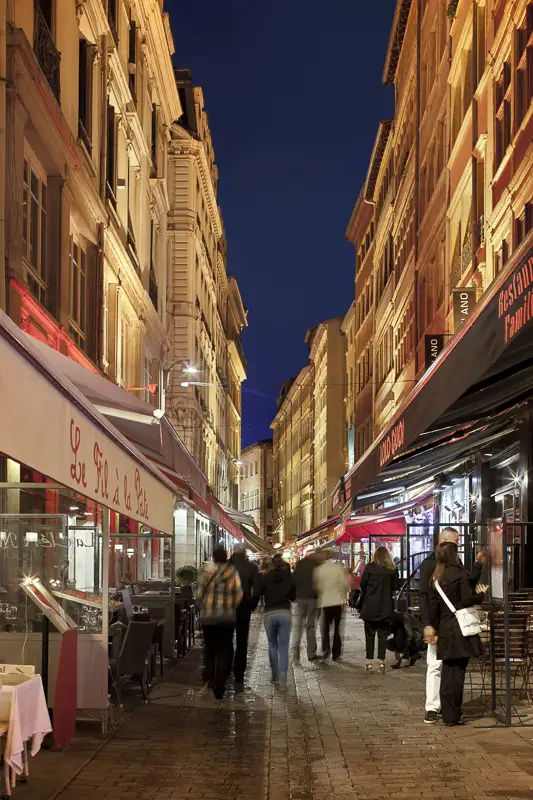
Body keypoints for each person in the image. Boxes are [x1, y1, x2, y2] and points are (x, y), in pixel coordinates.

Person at [419, 527, 485, 723]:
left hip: (445, 623)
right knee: (436, 665)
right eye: (457, 542)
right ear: (446, 543)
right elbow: (425, 596)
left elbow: (463, 583)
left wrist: (478, 565)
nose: (460, 545)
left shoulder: (449, 566)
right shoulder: (430, 565)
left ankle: (445, 709)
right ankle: (433, 707)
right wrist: (428, 624)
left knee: (446, 668)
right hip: (443, 624)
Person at [196, 546, 243, 700]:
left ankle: (209, 677)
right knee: (224, 649)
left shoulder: (206, 572)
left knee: (210, 648)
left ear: (214, 557)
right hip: (226, 618)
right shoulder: (232, 572)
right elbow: (239, 594)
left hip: (208, 618)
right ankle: (220, 686)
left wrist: (204, 606)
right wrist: (231, 607)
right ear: (225, 557)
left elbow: (198, 594)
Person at [359, 546, 400, 673]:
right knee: (383, 636)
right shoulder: (392, 569)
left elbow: (362, 584)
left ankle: (369, 662)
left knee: (369, 636)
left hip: (370, 607)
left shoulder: (369, 567)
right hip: (385, 607)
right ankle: (382, 662)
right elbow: (396, 586)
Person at [259, 554, 295, 686]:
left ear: (272, 564)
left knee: (272, 645)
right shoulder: (288, 577)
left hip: (270, 612)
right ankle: (283, 677)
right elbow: (294, 595)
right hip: (285, 612)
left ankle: (274, 674)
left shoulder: (267, 577)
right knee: (284, 646)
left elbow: (260, 592)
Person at [229, 545, 260, 689]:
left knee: (226, 640)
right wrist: (251, 604)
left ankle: (225, 668)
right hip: (243, 607)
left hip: (226, 608)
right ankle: (239, 673)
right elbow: (257, 589)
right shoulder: (251, 567)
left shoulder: (225, 566)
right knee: (242, 642)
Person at [314, 550, 349, 661]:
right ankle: (336, 653)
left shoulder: (319, 570)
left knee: (325, 629)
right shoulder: (337, 568)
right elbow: (344, 584)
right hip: (337, 602)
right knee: (337, 629)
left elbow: (317, 586)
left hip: (325, 602)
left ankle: (326, 650)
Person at [292, 551, 322, 663]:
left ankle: (296, 654)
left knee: (298, 626)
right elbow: (318, 582)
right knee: (310, 626)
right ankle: (311, 654)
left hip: (300, 598)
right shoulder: (316, 565)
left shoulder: (299, 564)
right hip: (312, 598)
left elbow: (294, 580)